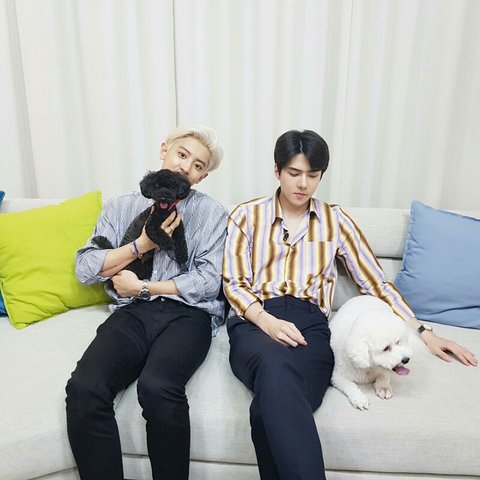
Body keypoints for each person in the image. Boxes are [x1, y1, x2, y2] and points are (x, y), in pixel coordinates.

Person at [222, 129, 478, 480]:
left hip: (311, 325)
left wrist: (424, 332)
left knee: (267, 408)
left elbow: (375, 282)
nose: (303, 184)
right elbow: (234, 284)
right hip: (256, 320)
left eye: (313, 175)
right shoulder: (246, 216)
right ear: (277, 170)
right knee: (276, 367)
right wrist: (267, 322)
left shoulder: (336, 221)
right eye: (294, 173)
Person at [66, 125, 228, 480]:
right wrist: (141, 245)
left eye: (198, 165)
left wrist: (143, 286)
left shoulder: (212, 213)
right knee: (84, 389)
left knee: (157, 387)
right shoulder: (121, 206)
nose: (186, 167)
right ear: (164, 150)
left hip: (188, 316)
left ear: (202, 177)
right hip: (132, 313)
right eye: (182, 154)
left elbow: (208, 281)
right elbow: (86, 267)